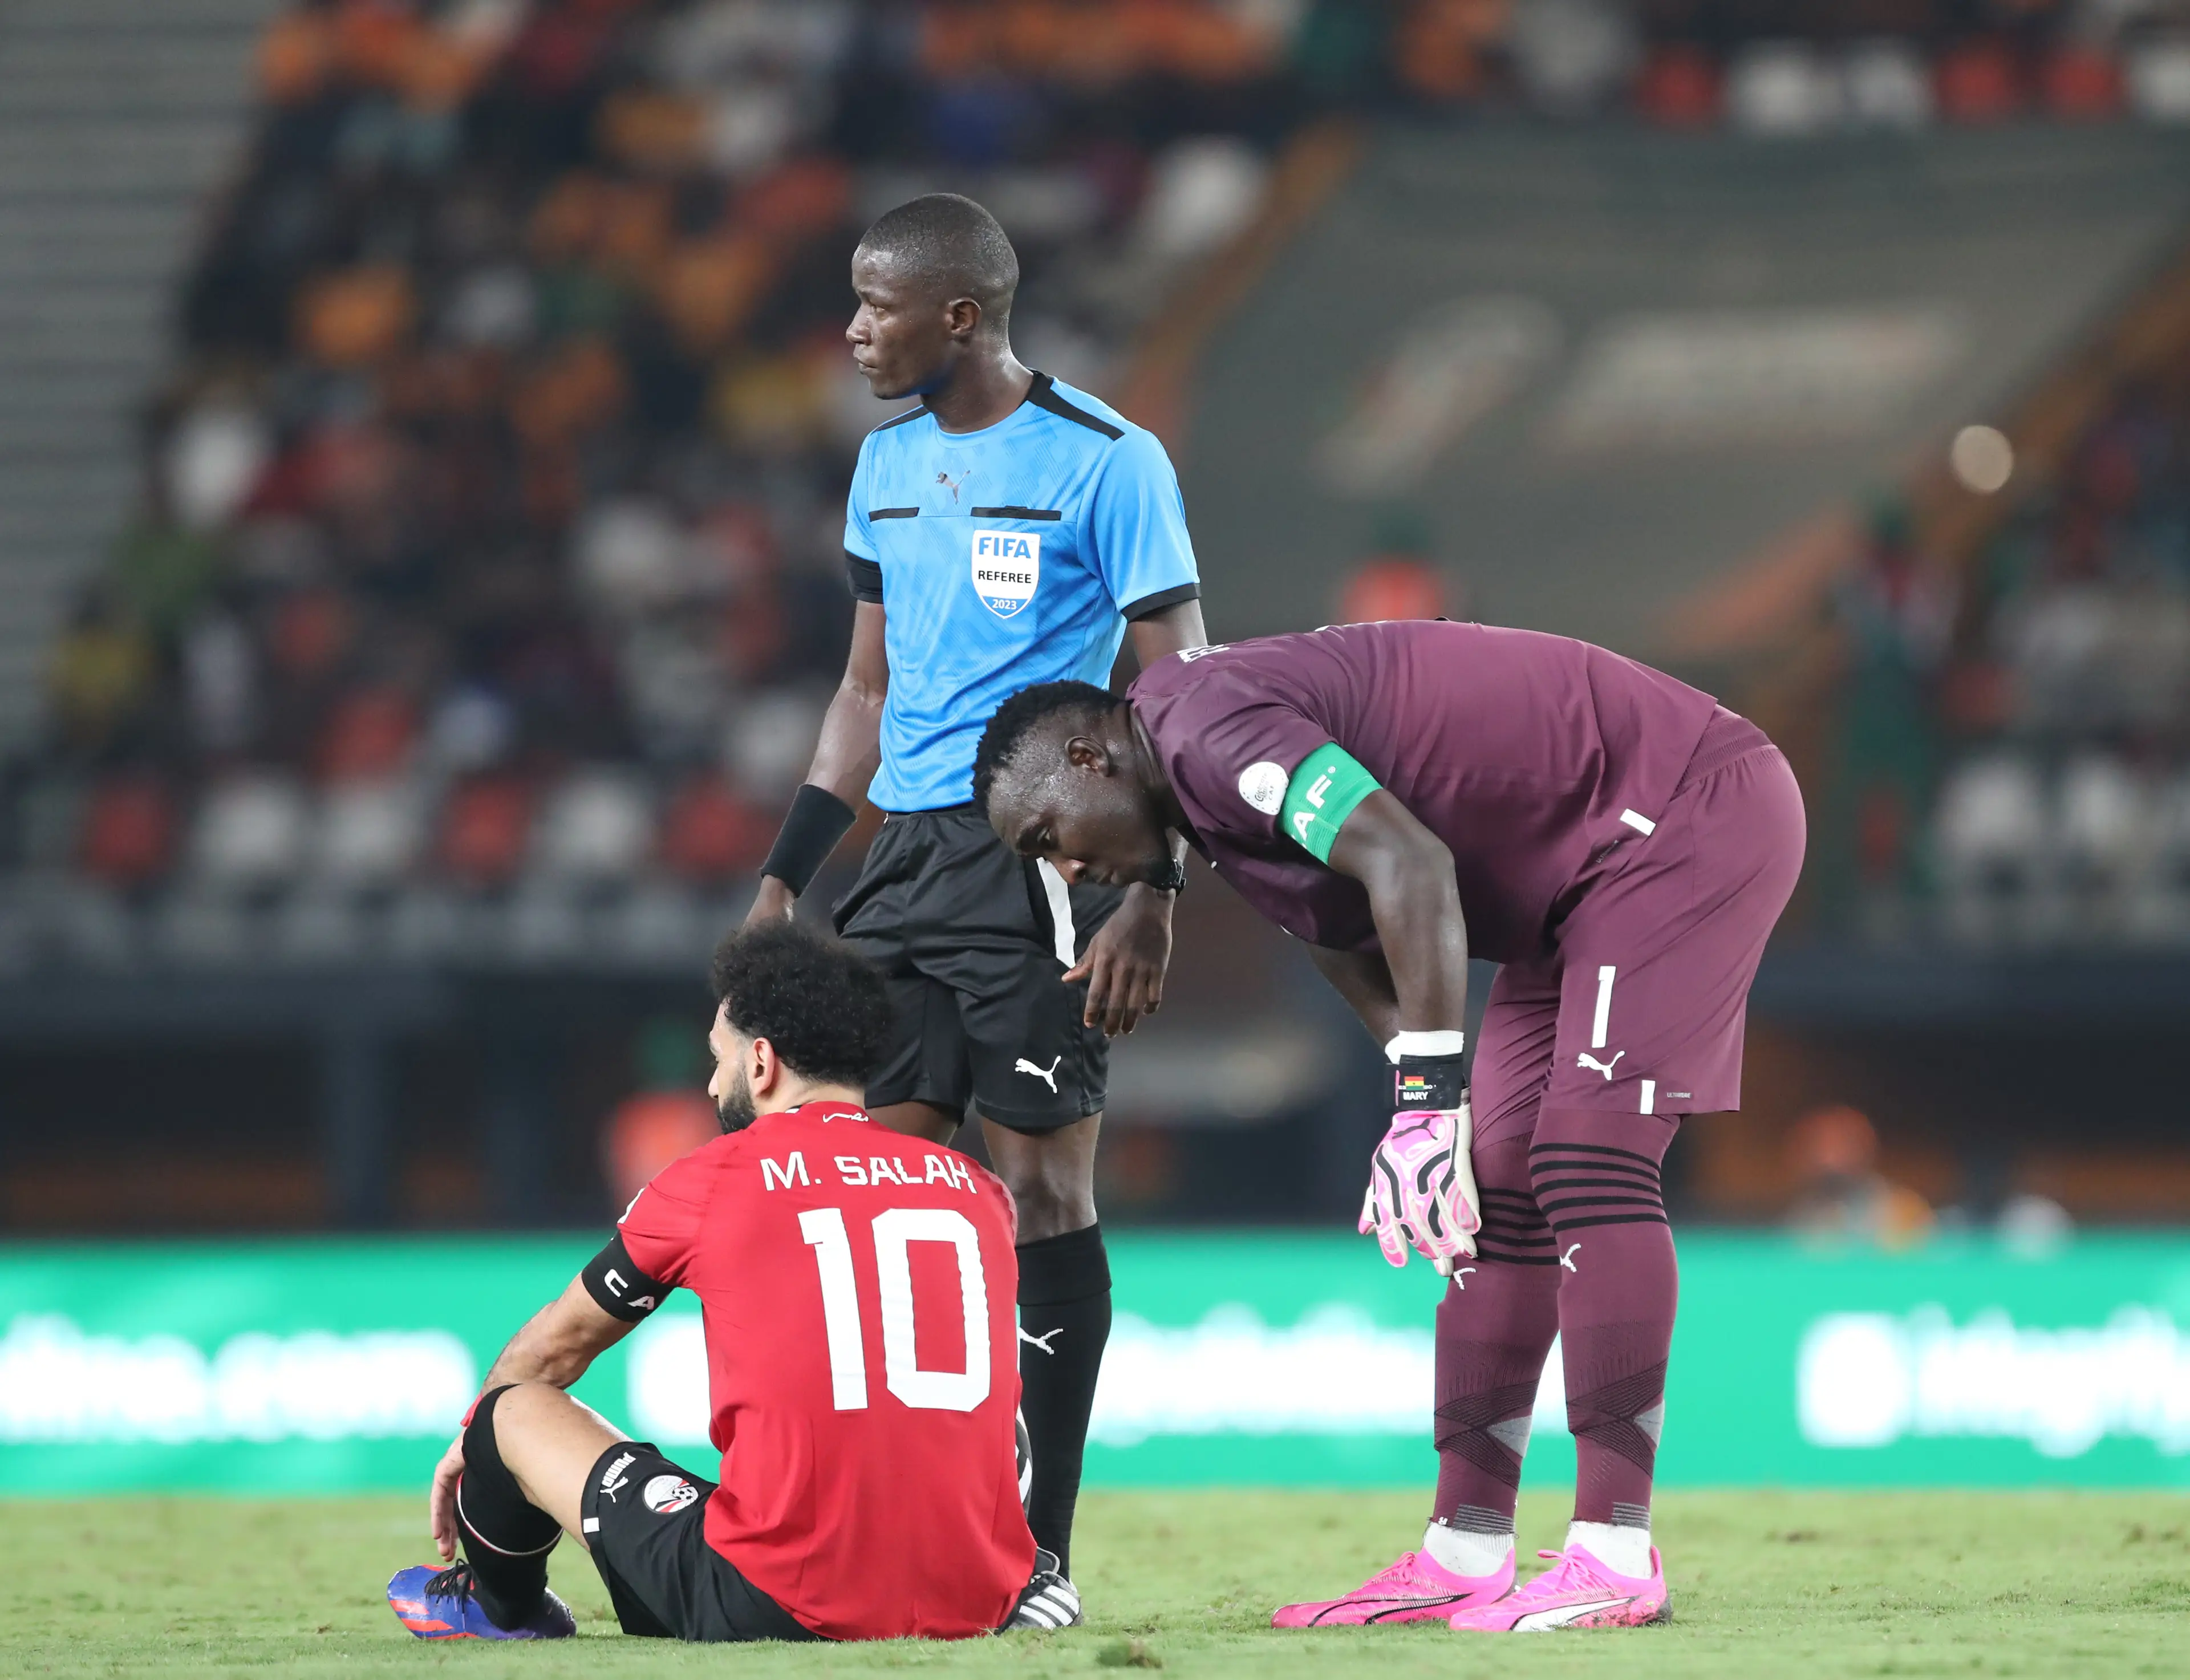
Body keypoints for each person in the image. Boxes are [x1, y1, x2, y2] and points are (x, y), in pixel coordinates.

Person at [971, 619, 1806, 1634]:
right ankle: (1466, 1547)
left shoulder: (1204, 731)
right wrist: (1436, 1102)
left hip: (1678, 810)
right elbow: (1342, 926)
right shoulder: (1198, 779)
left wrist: (1423, 1103)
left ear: (1087, 757)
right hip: (1581, 878)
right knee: (1493, 1187)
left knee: (1590, 1159)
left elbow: (1409, 862)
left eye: (1047, 837)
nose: (1066, 869)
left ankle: (1617, 1552)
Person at [745, 192, 1207, 1586]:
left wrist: (1156, 886)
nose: (852, 330)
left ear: (958, 314)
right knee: (886, 1193)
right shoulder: (881, 466)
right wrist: (782, 879)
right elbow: (862, 691)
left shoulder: (1108, 460)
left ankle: (1039, 1550)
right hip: (900, 861)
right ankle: (902, 1529)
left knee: (1042, 1194)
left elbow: (1182, 693)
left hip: (1039, 866)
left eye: (874, 305)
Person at [386, 922, 1076, 1644]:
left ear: (762, 1062)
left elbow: (554, 1352)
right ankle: (1024, 1577)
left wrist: (473, 1444)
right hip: (976, 1602)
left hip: (779, 1601)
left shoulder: (714, 1178)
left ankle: (503, 1611)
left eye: (718, 1059)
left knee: (509, 1410)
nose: (713, 1083)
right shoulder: (978, 1191)